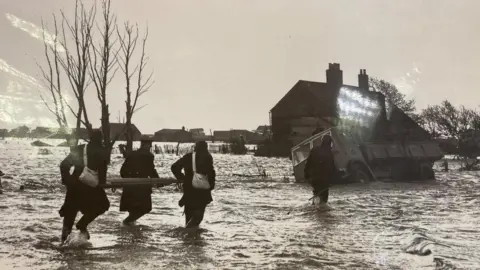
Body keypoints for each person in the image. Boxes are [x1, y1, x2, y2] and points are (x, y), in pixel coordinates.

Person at [58, 129, 110, 243]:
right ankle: (82, 224)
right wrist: (101, 184)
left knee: (69, 214)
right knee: (103, 205)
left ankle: (63, 243)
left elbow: (64, 165)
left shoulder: (79, 149)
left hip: (74, 187)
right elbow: (102, 175)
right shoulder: (102, 151)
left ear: (89, 138)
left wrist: (67, 180)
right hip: (90, 187)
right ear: (100, 139)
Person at [171, 141, 216, 228]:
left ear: (195, 147)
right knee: (198, 217)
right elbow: (211, 174)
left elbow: (174, 167)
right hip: (202, 192)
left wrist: (183, 179)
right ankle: (193, 236)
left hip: (189, 192)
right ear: (206, 148)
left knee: (189, 215)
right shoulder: (207, 157)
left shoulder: (188, 157)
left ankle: (187, 237)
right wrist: (211, 186)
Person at [119, 135, 160, 225]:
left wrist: (127, 180)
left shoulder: (132, 154)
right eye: (149, 145)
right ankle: (126, 223)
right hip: (141, 187)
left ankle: (131, 229)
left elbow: (122, 171)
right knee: (146, 208)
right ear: (146, 145)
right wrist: (158, 181)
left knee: (133, 208)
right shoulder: (148, 156)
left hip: (129, 185)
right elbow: (151, 170)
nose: (150, 147)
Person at [304, 135, 338, 204]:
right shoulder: (329, 153)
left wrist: (306, 175)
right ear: (329, 143)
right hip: (324, 179)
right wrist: (336, 177)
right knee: (323, 198)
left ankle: (314, 206)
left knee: (316, 194)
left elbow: (308, 163)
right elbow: (331, 167)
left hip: (314, 178)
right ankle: (322, 209)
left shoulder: (314, 150)